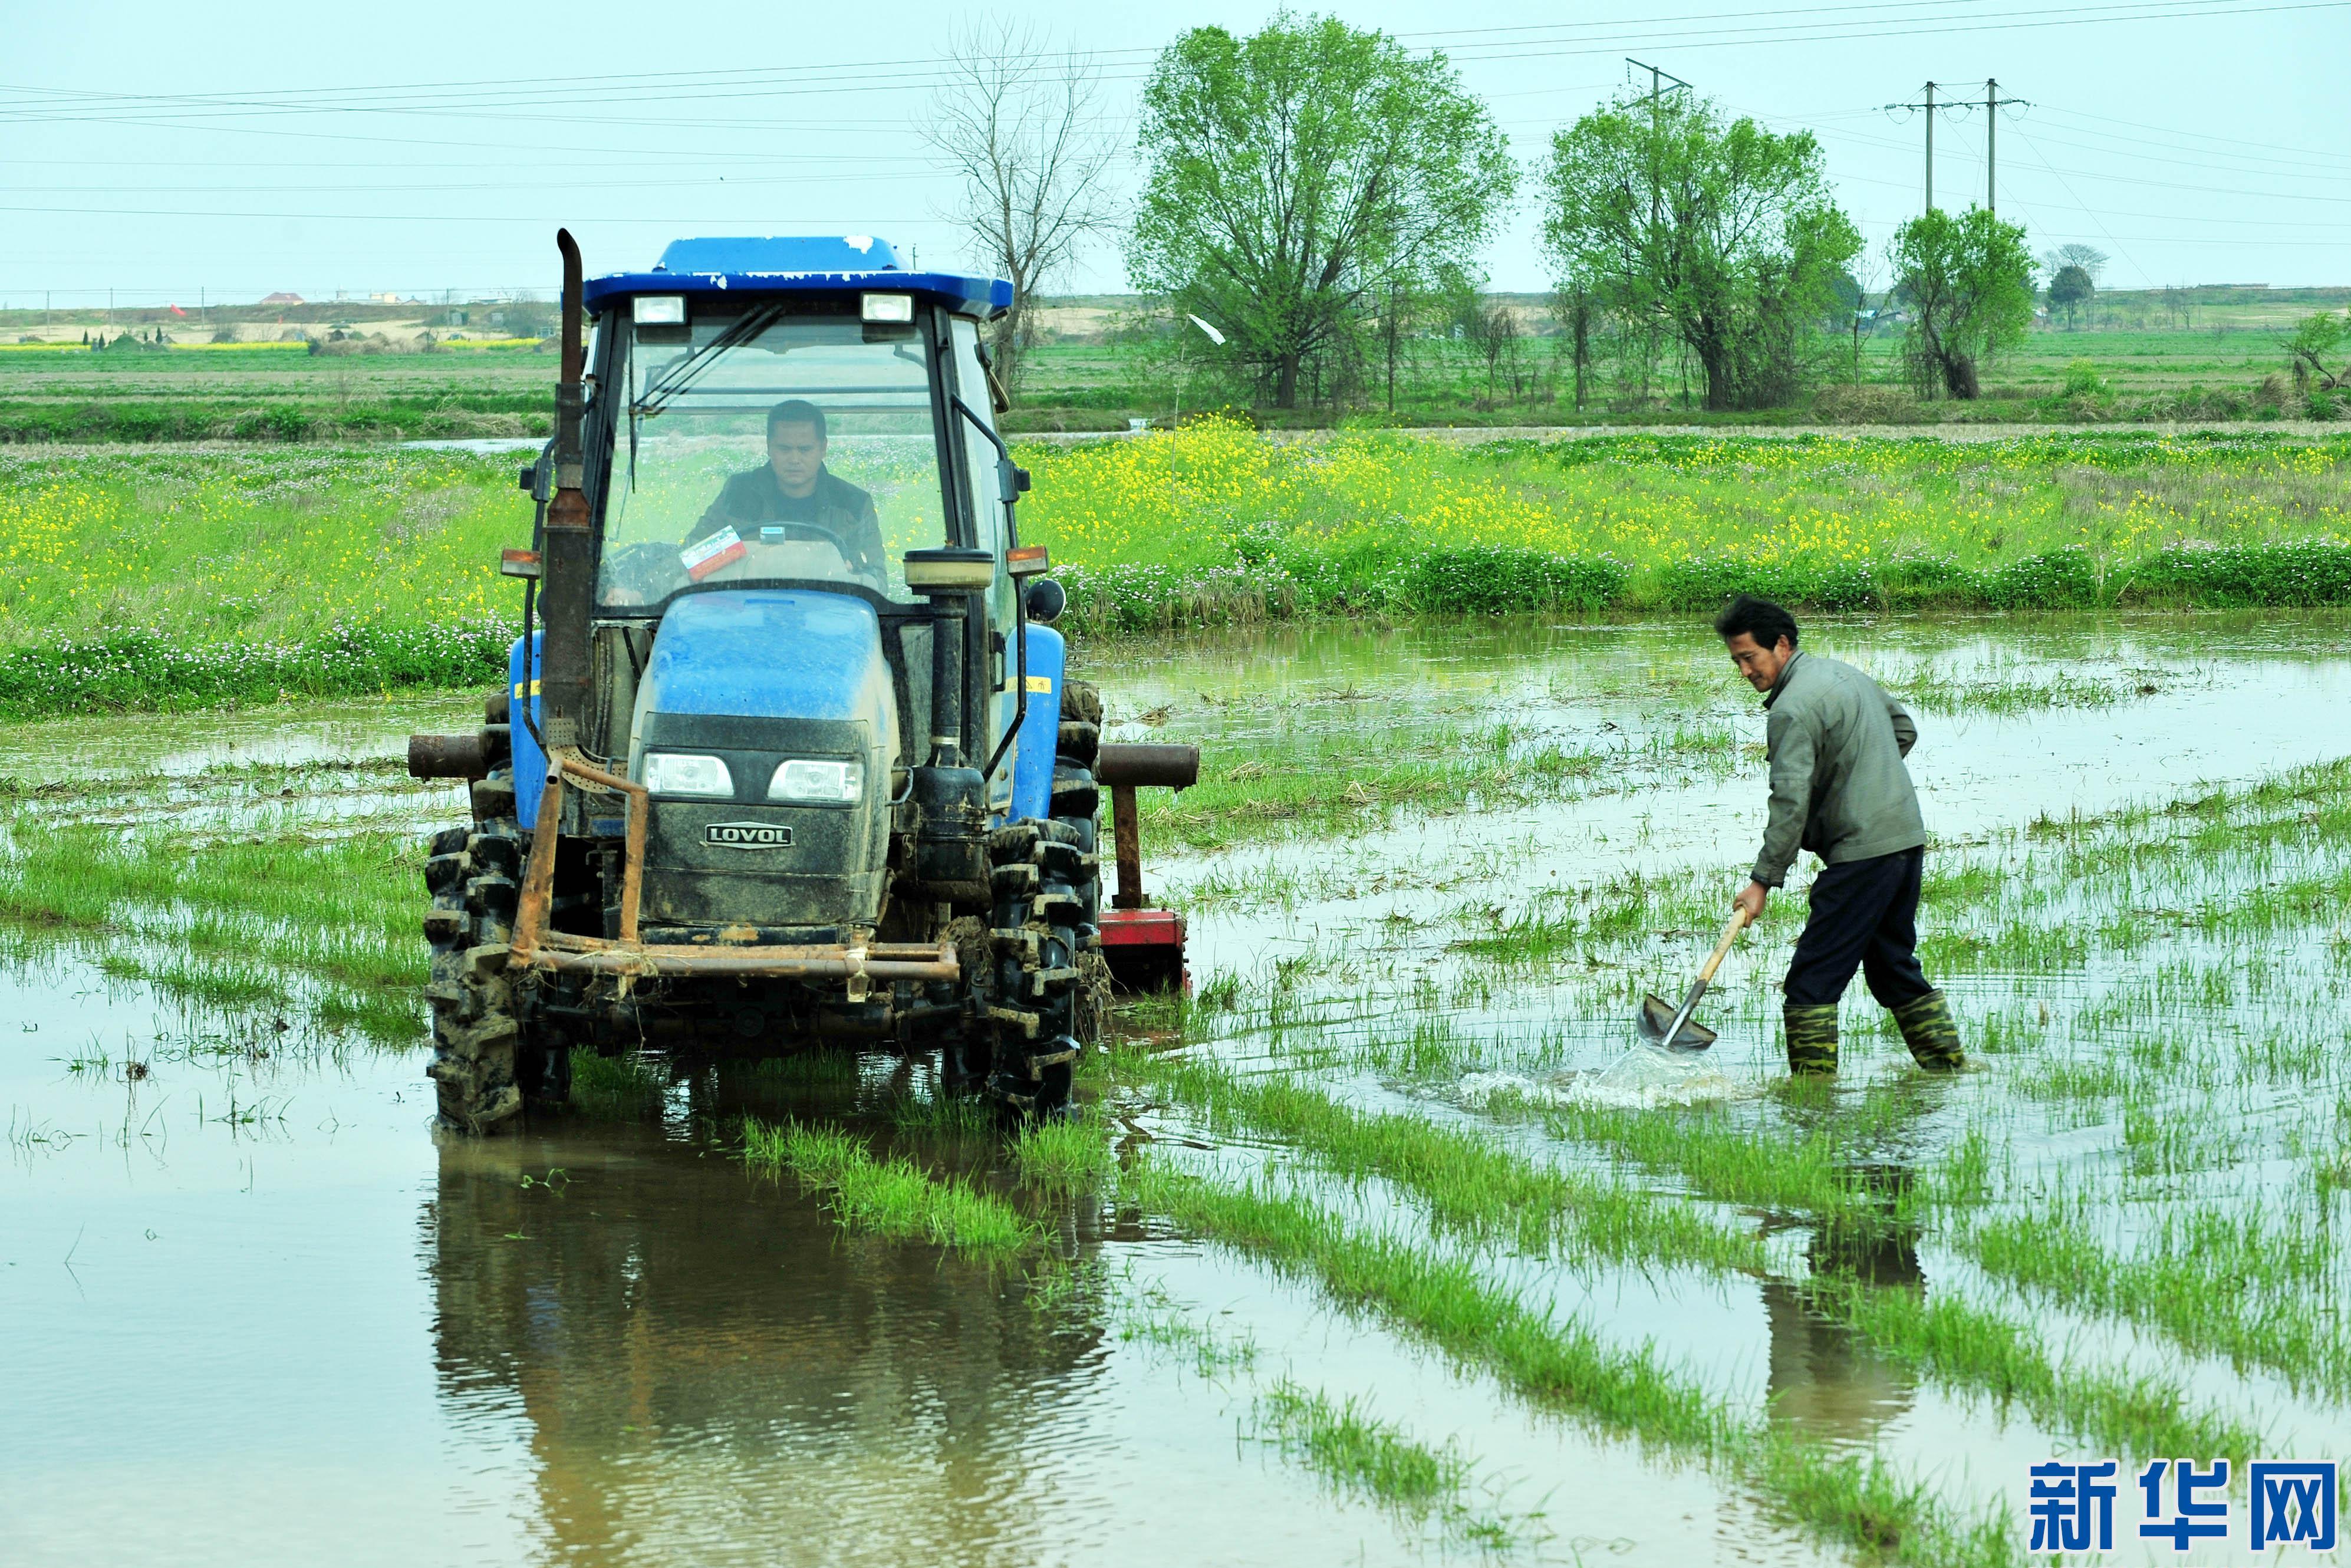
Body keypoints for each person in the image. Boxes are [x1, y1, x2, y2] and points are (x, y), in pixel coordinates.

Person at [1717, 593, 1967, 1077]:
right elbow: (1903, 731)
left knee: (1812, 980)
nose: (1745, 671)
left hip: (1863, 855)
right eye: (1737, 662)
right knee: (1892, 968)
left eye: (1750, 657)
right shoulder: (1846, 675)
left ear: (1782, 645)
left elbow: (1790, 804)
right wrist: (1866, 780)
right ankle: (1949, 1070)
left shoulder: (1789, 710)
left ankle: (1812, 1101)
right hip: (1905, 840)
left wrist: (1762, 881)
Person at [686, 399, 888, 585]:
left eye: (805, 449)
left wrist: (850, 575)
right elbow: (694, 559)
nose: (794, 459)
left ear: (823, 448)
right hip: (749, 607)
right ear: (768, 447)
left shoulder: (854, 504)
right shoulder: (738, 495)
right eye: (784, 449)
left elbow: (876, 579)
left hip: (826, 611)